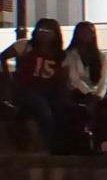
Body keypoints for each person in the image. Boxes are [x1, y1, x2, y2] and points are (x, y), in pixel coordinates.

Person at [2, 18, 66, 149]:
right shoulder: (24, 46)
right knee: (43, 109)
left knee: (59, 110)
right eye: (41, 30)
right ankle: (50, 146)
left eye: (48, 31)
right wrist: (8, 77)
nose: (44, 33)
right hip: (26, 89)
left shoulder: (60, 55)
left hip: (49, 90)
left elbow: (63, 78)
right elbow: (3, 56)